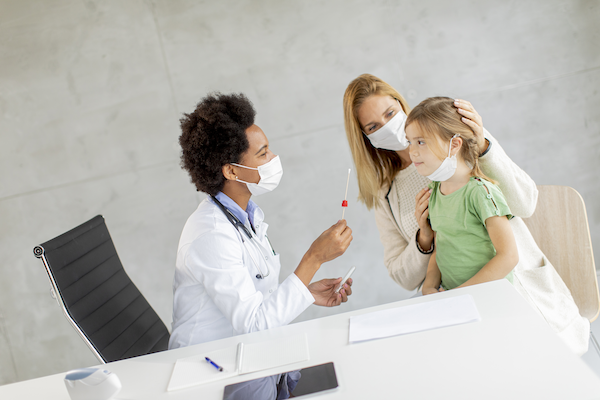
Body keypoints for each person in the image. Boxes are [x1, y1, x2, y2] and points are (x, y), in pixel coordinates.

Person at [342, 73, 589, 354]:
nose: (388, 127)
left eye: (390, 113)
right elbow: (406, 274)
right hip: (462, 312)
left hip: (516, 297)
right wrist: (424, 238)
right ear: (365, 136)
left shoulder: (459, 138)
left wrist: (483, 146)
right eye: (374, 126)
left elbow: (526, 204)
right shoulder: (386, 193)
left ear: (401, 104)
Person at [169, 92, 353, 349]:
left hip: (244, 352)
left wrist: (306, 295)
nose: (274, 159)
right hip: (207, 364)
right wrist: (314, 258)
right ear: (231, 170)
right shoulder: (211, 235)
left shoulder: (245, 216)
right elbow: (255, 325)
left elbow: (257, 299)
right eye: (263, 154)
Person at [404, 97, 518, 294]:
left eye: (420, 142)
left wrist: (460, 295)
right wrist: (429, 286)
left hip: (492, 297)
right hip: (454, 297)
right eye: (410, 142)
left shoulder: (480, 192)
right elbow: (441, 247)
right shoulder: (434, 193)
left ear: (454, 145)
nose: (412, 152)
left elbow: (509, 256)